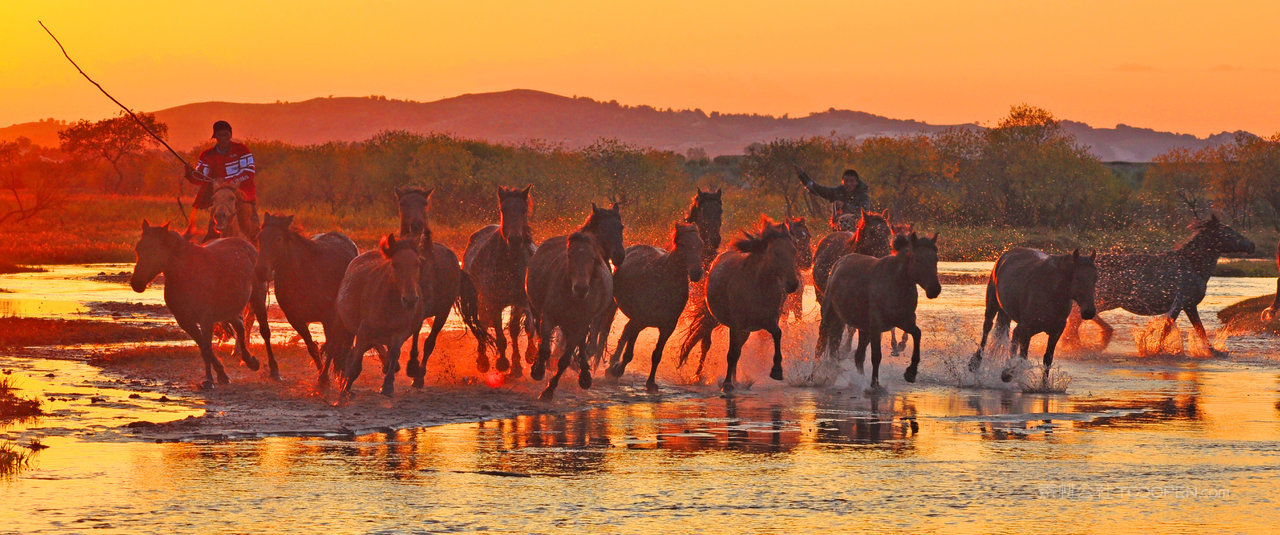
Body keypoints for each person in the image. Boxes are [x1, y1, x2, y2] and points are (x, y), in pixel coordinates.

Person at [185, 120, 259, 241]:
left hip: (243, 197)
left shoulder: (242, 150)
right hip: (219, 199)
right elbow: (200, 178)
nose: (223, 138)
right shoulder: (207, 155)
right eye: (220, 135)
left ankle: (257, 253)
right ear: (215, 137)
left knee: (252, 231)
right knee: (211, 235)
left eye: (226, 134)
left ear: (230, 135)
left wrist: (228, 181)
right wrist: (190, 174)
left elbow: (249, 172)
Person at [795, 166, 870, 228]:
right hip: (839, 228)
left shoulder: (863, 194)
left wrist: (844, 206)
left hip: (858, 228)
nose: (848, 184)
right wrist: (802, 175)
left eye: (851, 181)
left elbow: (864, 211)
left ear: (856, 182)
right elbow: (818, 189)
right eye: (846, 181)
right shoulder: (837, 192)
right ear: (842, 181)